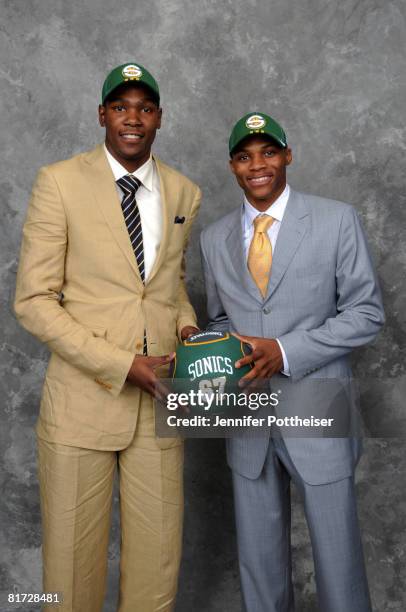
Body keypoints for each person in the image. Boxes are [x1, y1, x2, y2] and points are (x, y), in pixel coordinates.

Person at [14, 62, 201, 612]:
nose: (132, 118)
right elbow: (32, 300)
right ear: (102, 115)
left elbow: (171, 288)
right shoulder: (59, 182)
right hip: (82, 405)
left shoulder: (186, 191)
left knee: (157, 576)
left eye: (144, 108)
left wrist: (187, 325)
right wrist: (122, 365)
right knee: (69, 579)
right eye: (121, 107)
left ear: (160, 118)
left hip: (163, 406)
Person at [200, 112, 385, 612]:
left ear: (287, 156)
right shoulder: (214, 238)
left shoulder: (335, 219)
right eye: (244, 156)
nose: (257, 165)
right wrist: (212, 349)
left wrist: (283, 351)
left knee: (337, 564)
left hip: (319, 409)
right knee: (259, 568)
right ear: (232, 166)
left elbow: (366, 314)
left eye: (267, 152)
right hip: (248, 419)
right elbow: (220, 319)